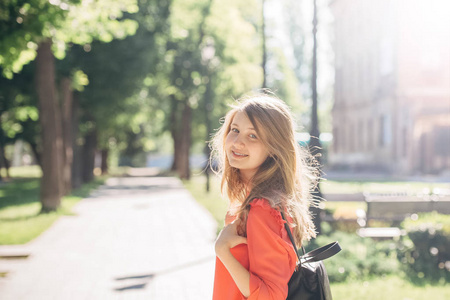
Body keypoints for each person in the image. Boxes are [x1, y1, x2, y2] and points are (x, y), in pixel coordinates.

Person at [210, 93, 319, 299]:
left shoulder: (262, 208)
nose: (237, 142)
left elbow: (271, 295)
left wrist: (222, 250)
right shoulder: (254, 200)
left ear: (274, 148)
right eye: (235, 130)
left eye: (253, 136)